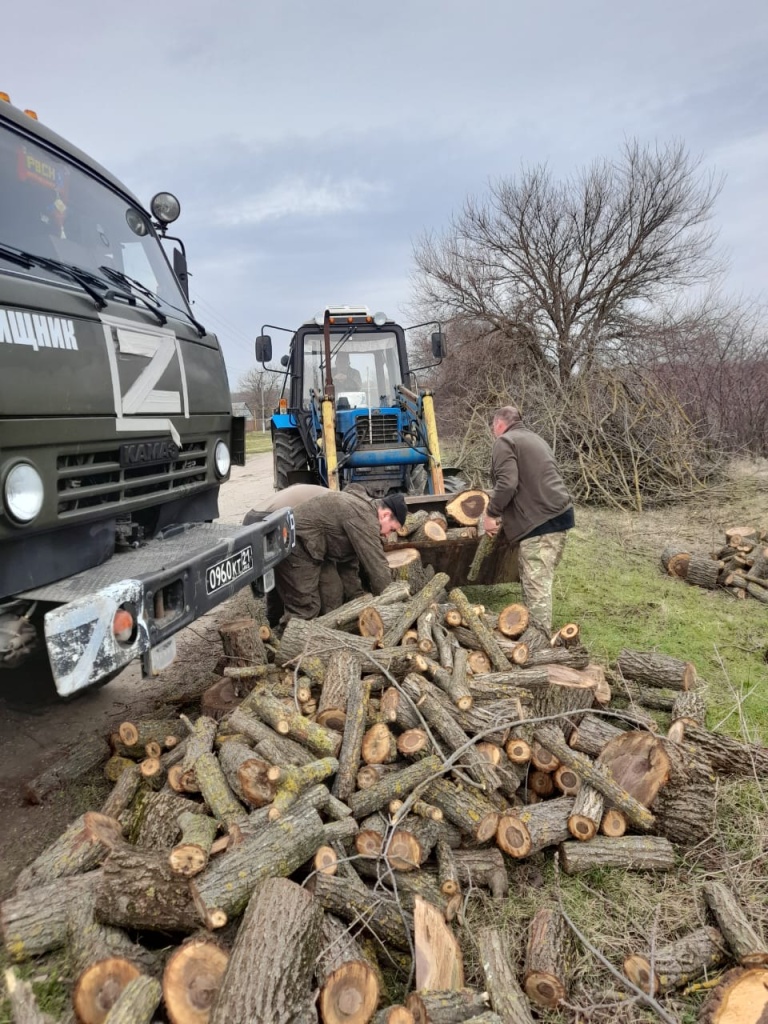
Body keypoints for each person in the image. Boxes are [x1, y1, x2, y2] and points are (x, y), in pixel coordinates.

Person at [247, 484, 407, 621]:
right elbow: (377, 566)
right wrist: (393, 602)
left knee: (333, 593)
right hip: (296, 544)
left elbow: (348, 564)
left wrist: (357, 596)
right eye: (391, 529)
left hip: (315, 550)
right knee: (307, 607)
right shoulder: (364, 518)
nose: (387, 535)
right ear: (385, 514)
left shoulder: (363, 508)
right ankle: (285, 644)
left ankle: (319, 634)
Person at [482, 405, 574, 633]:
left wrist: (491, 513)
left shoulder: (505, 442)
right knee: (537, 580)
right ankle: (531, 632)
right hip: (559, 514)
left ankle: (539, 644)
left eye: (494, 427)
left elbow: (507, 484)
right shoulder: (535, 439)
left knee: (537, 586)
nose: (494, 431)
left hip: (541, 521)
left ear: (499, 424)